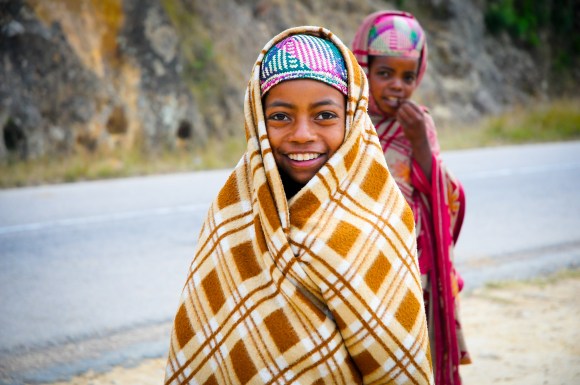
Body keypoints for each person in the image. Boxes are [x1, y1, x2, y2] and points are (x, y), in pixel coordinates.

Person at [164, 26, 434, 384]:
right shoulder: (233, 207)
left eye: (324, 115)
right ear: (257, 119)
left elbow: (398, 360)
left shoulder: (381, 214)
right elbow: (205, 335)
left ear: (352, 118)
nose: (302, 133)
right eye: (280, 116)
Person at [351, 10, 471, 385]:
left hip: (409, 258)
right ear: (362, 69)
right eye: (385, 74)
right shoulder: (347, 121)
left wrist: (419, 142)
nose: (397, 86)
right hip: (356, 253)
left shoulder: (419, 124)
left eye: (407, 76)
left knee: (405, 342)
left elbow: (441, 193)